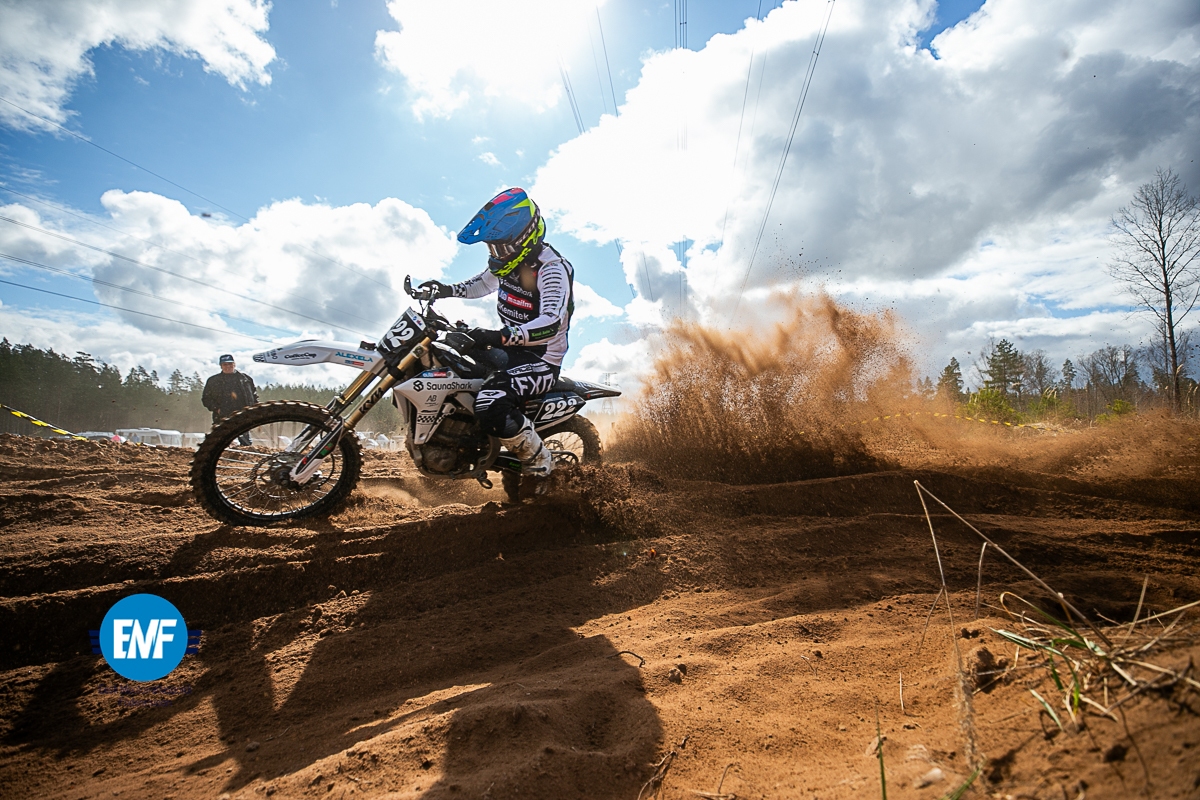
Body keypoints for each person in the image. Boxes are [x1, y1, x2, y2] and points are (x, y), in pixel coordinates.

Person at [419, 187, 573, 477]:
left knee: (490, 403)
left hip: (540, 359)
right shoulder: (509, 261)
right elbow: (481, 284)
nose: (495, 254)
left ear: (525, 238)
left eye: (500, 248)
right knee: (444, 356)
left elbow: (550, 323)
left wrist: (497, 336)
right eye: (492, 248)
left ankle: (542, 465)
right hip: (509, 350)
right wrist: (445, 290)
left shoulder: (552, 269)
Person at [202, 354, 258, 446]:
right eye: (225, 364)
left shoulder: (245, 379)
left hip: (242, 413)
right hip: (222, 414)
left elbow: (254, 395)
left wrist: (254, 408)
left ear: (234, 364)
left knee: (245, 441)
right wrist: (217, 409)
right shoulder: (213, 380)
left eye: (230, 364)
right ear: (221, 366)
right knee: (219, 442)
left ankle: (245, 451)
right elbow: (206, 398)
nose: (228, 366)